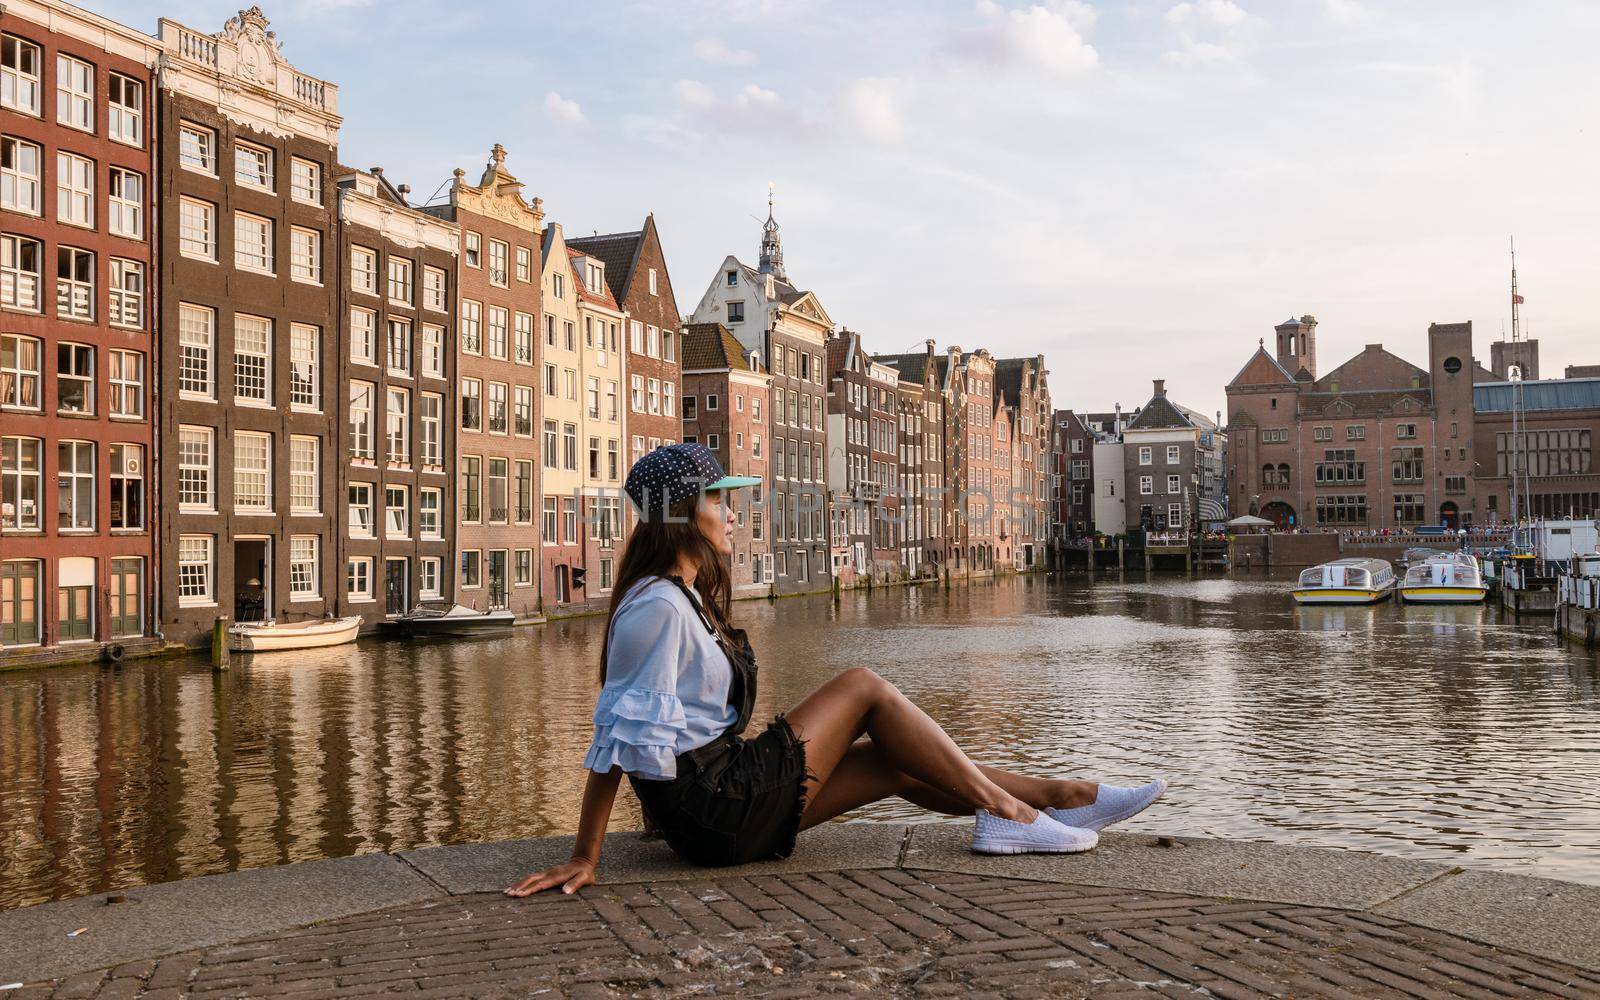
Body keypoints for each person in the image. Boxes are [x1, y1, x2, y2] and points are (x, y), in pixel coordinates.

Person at [507, 444, 1167, 897]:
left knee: (894, 764)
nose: (733, 513)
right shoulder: (657, 606)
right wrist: (586, 855)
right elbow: (616, 738)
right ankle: (1013, 813)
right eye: (719, 500)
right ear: (682, 513)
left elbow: (673, 726)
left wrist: (660, 807)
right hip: (715, 809)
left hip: (715, 805)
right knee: (862, 686)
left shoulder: (684, 598)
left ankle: (1062, 798)